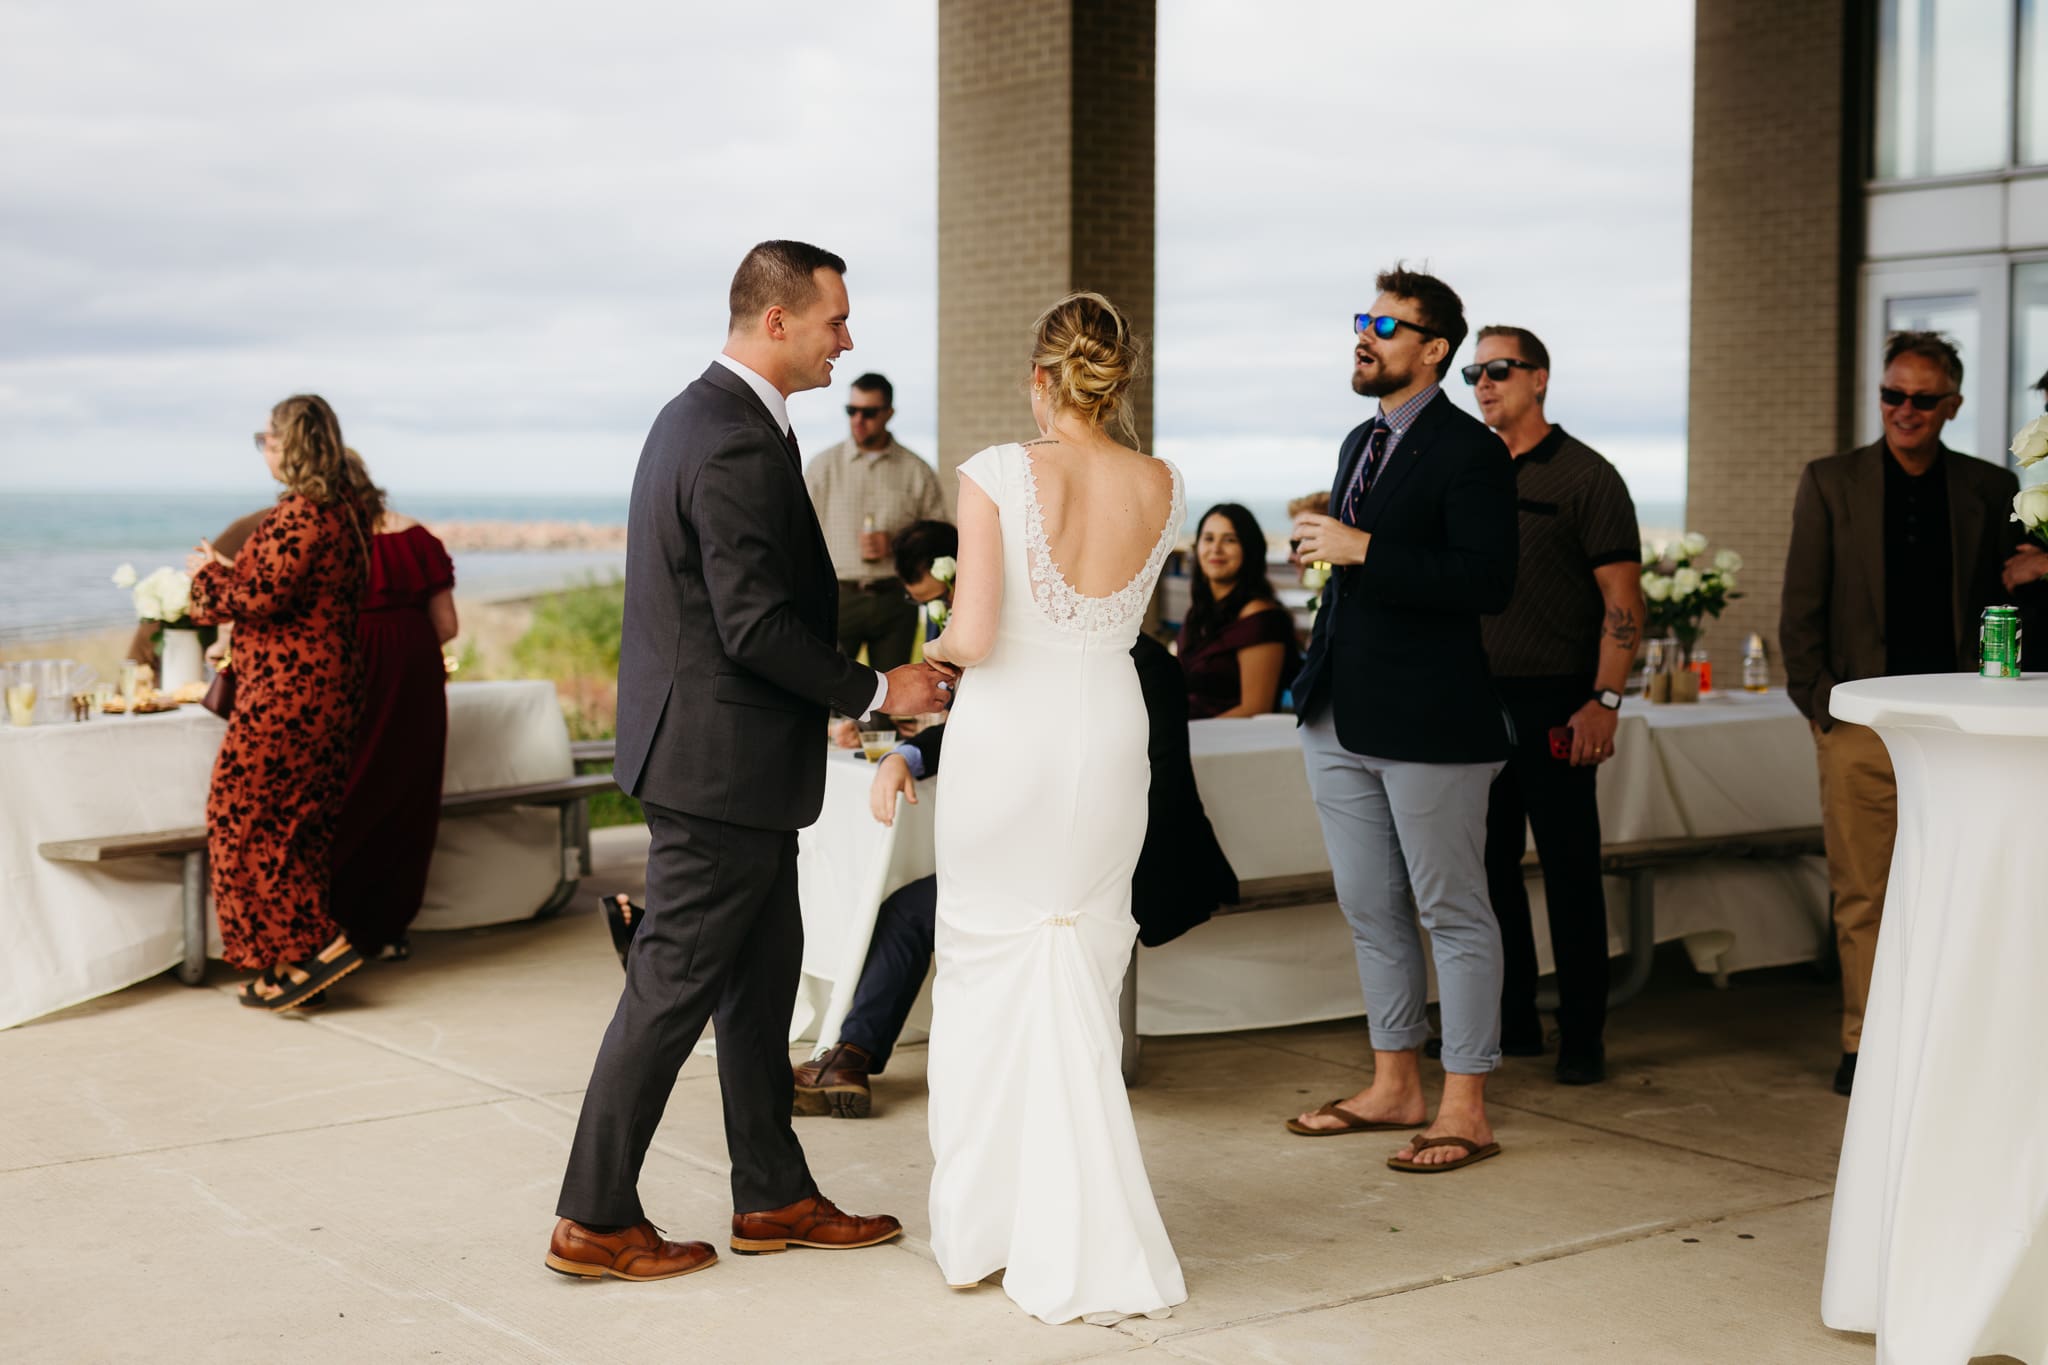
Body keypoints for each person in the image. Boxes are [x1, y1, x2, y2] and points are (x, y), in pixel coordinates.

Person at [547, 241, 954, 1285]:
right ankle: (593, 1215)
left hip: (731, 762)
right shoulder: (726, 437)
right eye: (835, 320)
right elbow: (749, 626)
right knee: (671, 987)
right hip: (716, 768)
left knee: (760, 985)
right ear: (776, 321)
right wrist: (875, 690)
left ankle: (770, 1191)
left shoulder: (710, 419)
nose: (848, 339)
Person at [919, 291, 1187, 1323]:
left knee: (991, 969)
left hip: (1011, 740)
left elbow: (976, 635)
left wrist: (925, 647)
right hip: (1110, 731)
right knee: (1076, 956)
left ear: (1041, 378)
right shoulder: (1161, 482)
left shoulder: (995, 472)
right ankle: (1078, 1224)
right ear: (1113, 381)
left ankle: (988, 1230)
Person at [792, 631, 1237, 1117]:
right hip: (1041, 856)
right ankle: (851, 1055)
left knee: (916, 911)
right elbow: (987, 726)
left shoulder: (1142, 664)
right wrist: (905, 754)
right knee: (914, 906)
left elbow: (1143, 780)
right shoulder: (1039, 647)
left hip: (1120, 862)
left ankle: (855, 1055)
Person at [1286, 267, 1518, 1171]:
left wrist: (1363, 547)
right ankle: (1395, 1086)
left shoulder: (1472, 451)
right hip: (1337, 708)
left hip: (1430, 718)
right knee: (1369, 907)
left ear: (1434, 349)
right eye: (1362, 318)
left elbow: (1487, 582)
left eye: (1386, 323)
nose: (1365, 334)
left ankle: (1466, 1104)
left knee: (1451, 910)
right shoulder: (1359, 439)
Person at [1780, 330, 2042, 1098]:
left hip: (1960, 733)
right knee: (1865, 890)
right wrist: (1821, 706)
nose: (1906, 411)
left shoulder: (1990, 490)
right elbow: (1801, 609)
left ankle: (1947, 1040)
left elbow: (2008, 594)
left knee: (1960, 889)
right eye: (1893, 395)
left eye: (1924, 399)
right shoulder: (1831, 481)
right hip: (1861, 722)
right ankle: (1865, 1043)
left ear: (1952, 405)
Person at [1468, 326, 1645, 1086]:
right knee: (1488, 871)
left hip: (1558, 706)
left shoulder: (1587, 477)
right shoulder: (1470, 471)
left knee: (1571, 872)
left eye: (1498, 369)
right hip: (1474, 706)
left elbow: (1623, 601)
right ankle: (1514, 1022)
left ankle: (1583, 1035)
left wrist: (1604, 701)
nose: (1482, 382)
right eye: (1474, 371)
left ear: (1539, 378)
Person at [187, 394, 371, 1011]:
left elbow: (257, 597)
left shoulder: (301, 515)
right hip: (326, 692)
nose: (263, 446)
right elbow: (273, 586)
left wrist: (205, 576)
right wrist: (231, 573)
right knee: (293, 827)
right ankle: (289, 962)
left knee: (242, 818)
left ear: (291, 444)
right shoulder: (342, 513)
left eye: (268, 436)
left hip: (287, 698)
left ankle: (316, 945)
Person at [328, 449, 458, 963]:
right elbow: (447, 626)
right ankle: (389, 926)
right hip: (416, 679)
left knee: (346, 793)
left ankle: (337, 926)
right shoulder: (418, 538)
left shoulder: (329, 540)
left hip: (349, 677)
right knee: (408, 796)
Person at [804, 371, 947, 677]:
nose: (858, 419)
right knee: (827, 697)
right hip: (837, 598)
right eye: (851, 410)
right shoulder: (821, 468)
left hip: (896, 600)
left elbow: (941, 542)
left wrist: (897, 545)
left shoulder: (916, 471)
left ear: (889, 413)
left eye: (868, 412)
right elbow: (799, 534)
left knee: (895, 696)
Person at [1177, 502, 1299, 717]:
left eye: (1230, 540)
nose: (1216, 549)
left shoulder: (1261, 618)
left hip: (1226, 744)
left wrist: (1184, 737)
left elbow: (1255, 708)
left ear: (1249, 549)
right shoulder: (1198, 613)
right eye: (1208, 538)